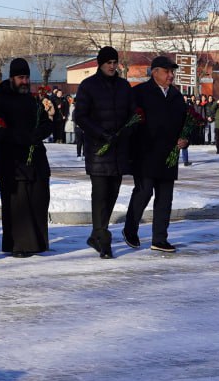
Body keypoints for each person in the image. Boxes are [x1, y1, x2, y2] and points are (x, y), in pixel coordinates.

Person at [122, 56, 187, 253]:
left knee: (165, 198)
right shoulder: (140, 92)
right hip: (145, 153)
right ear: (155, 72)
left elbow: (185, 123)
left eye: (172, 72)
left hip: (169, 154)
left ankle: (159, 239)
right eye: (167, 71)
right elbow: (129, 122)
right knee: (144, 192)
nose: (171, 75)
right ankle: (130, 229)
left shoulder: (176, 96)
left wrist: (185, 138)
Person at [74, 46, 133, 259]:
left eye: (114, 62)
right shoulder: (88, 85)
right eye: (108, 62)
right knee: (99, 195)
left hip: (118, 149)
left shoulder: (124, 86)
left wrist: (127, 130)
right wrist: (100, 133)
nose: (112, 66)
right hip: (98, 149)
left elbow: (132, 113)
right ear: (100, 64)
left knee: (112, 194)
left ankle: (96, 234)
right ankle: (104, 239)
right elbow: (80, 116)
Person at [0, 58, 53, 258]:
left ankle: (38, 244)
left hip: (36, 159)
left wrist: (38, 133)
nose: (25, 81)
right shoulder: (0, 99)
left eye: (27, 77)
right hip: (13, 161)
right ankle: (19, 245)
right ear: (12, 78)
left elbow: (45, 122)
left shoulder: (32, 99)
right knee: (17, 206)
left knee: (38, 200)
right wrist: (20, 137)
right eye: (21, 77)